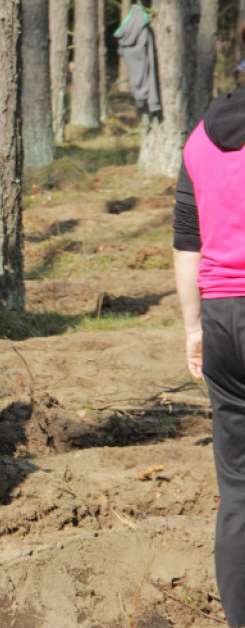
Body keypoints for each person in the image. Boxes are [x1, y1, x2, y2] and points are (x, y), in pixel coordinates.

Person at [174, 85, 245, 628]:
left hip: (221, 318)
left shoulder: (200, 138)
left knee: (237, 490)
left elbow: (187, 242)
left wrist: (193, 327)